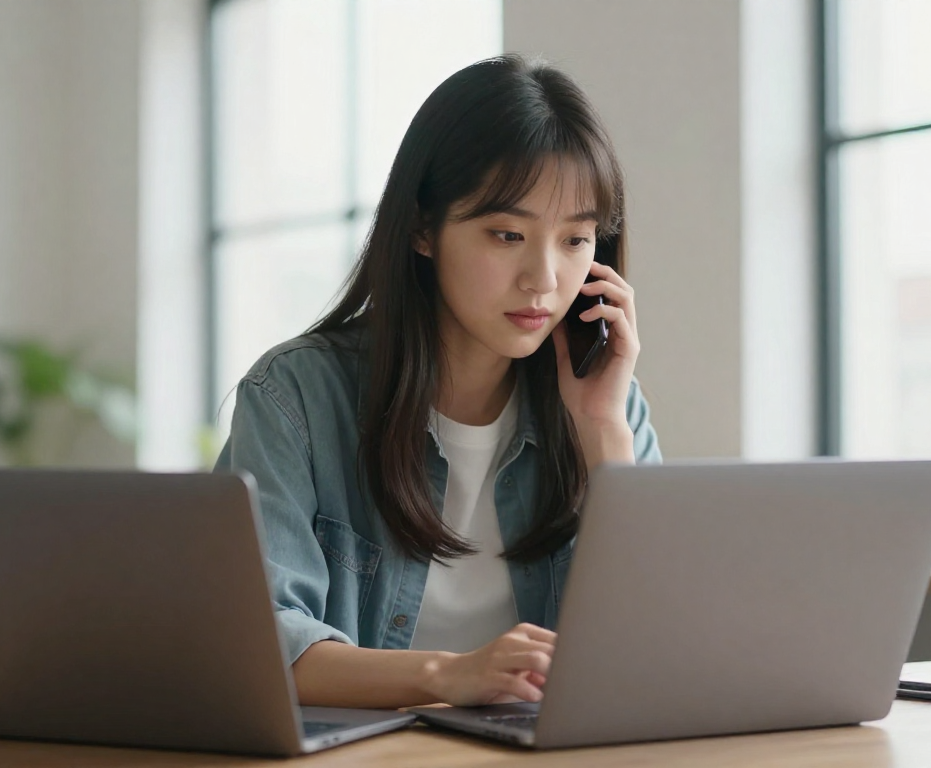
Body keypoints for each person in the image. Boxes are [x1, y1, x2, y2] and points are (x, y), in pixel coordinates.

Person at [213, 54, 660, 710]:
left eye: (575, 241)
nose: (543, 278)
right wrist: (448, 675)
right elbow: (261, 641)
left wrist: (604, 436)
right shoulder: (298, 398)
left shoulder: (608, 406)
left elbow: (659, 646)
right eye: (507, 235)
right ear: (424, 229)